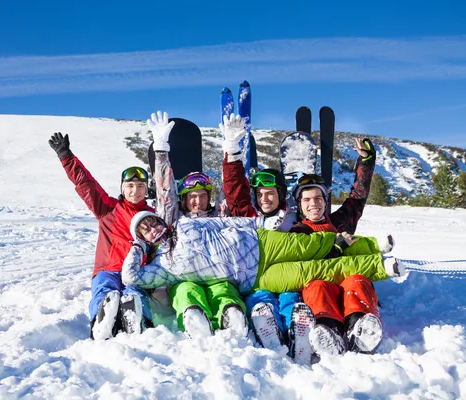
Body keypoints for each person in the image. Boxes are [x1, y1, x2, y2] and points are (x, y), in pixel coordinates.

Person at [121, 211, 403, 304]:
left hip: (262, 243)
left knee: (315, 245)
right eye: (145, 231)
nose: (153, 229)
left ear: (160, 220)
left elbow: (226, 221)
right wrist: (137, 249)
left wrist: (259, 224)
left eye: (152, 222)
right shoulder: (164, 267)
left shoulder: (185, 223)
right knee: (317, 270)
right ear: (144, 239)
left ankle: (373, 244)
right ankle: (380, 266)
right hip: (255, 278)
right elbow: (130, 277)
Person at [220, 114, 313, 362]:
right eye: (260, 194)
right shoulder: (248, 215)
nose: (264, 199)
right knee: (260, 301)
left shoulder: (294, 218)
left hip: (287, 278)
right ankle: (268, 326)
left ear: (280, 194)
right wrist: (232, 151)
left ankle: (297, 329)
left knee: (290, 298)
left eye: (270, 193)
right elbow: (234, 189)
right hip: (258, 280)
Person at [147, 111, 248, 339]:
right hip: (185, 276)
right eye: (192, 196)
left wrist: (231, 148)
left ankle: (230, 315)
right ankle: (194, 317)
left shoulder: (218, 216)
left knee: (223, 291)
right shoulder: (174, 218)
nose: (197, 200)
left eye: (202, 195)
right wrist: (161, 149)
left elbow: (230, 189)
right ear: (183, 199)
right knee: (186, 291)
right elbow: (164, 191)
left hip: (218, 275)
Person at [48, 132, 154, 340]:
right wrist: (66, 156)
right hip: (109, 269)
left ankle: (137, 319)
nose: (135, 191)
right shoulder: (108, 209)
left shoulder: (152, 216)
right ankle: (101, 320)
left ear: (146, 189)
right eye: (130, 186)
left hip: (138, 273)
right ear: (123, 189)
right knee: (105, 288)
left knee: (137, 293)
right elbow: (86, 185)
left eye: (140, 186)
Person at [288, 138, 388, 356]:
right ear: (300, 204)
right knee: (316, 286)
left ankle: (360, 330)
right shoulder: (297, 232)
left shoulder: (340, 222)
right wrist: (336, 248)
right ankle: (329, 332)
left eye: (318, 198)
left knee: (357, 280)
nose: (313, 203)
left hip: (347, 284)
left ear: (325, 200)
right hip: (322, 285)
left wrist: (366, 160)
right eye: (307, 200)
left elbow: (358, 196)